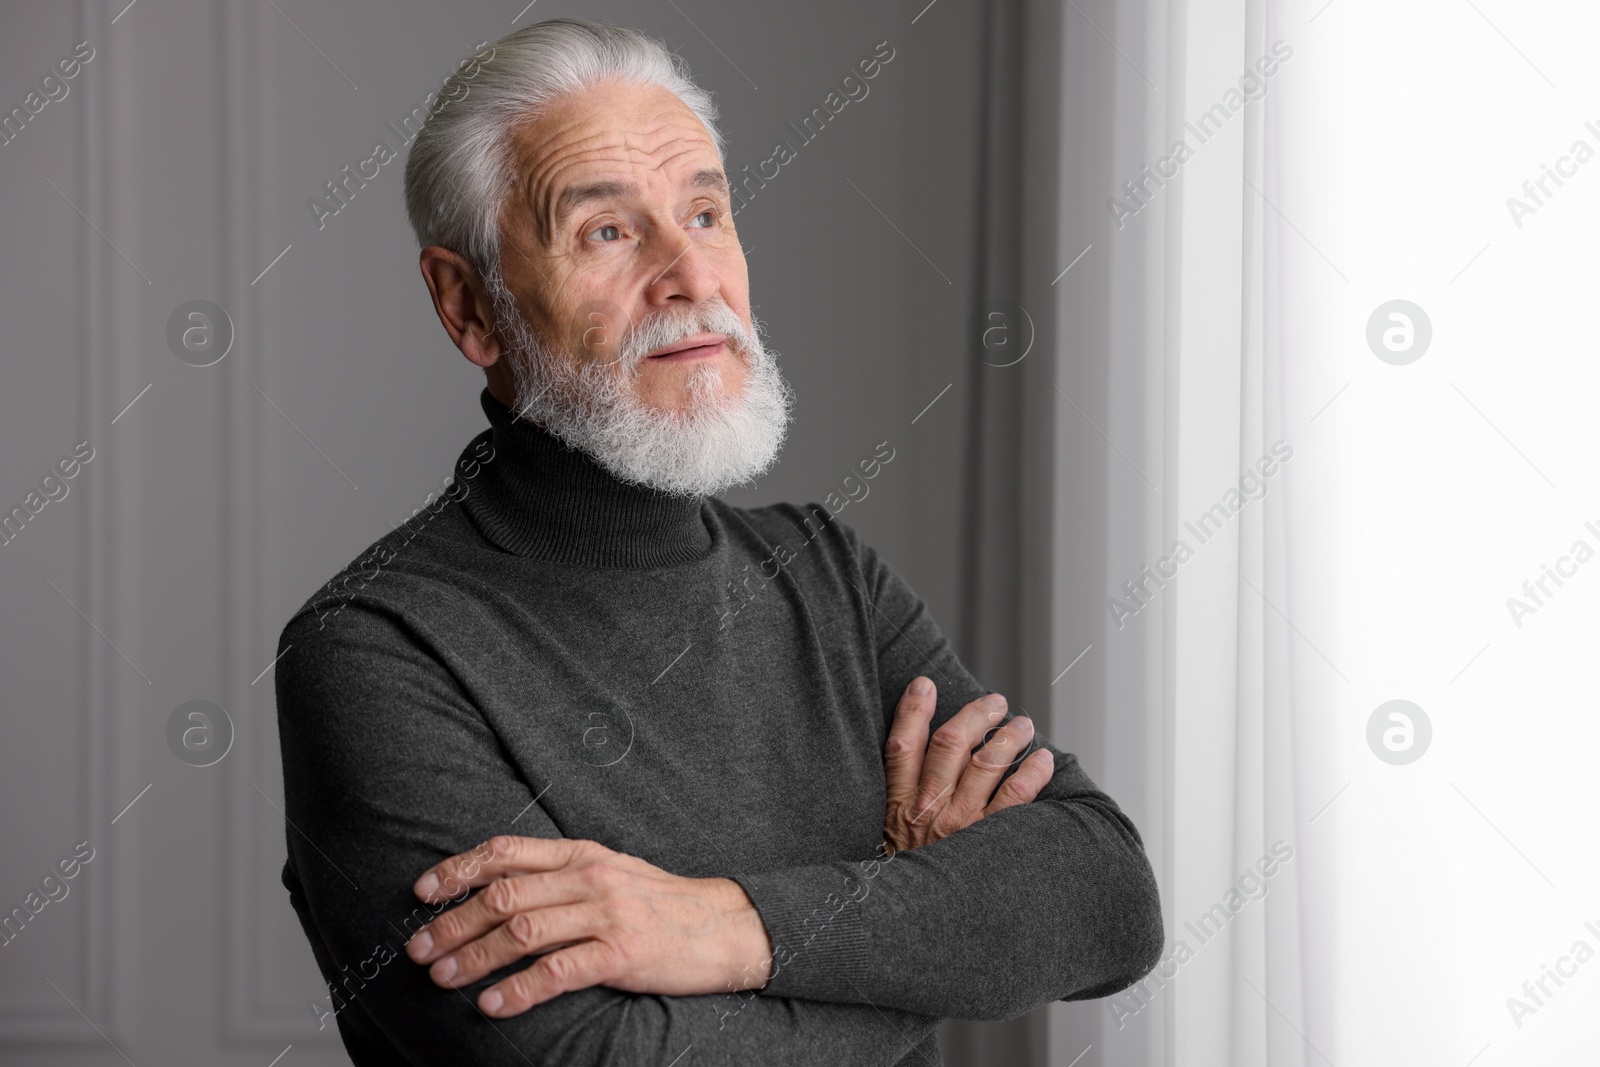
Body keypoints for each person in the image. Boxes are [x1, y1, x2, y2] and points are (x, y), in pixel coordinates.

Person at [273, 17, 1163, 1065]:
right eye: (607, 231)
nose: (689, 275)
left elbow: (1109, 897)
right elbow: (587, 1058)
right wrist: (913, 915)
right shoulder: (376, 647)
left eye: (705, 211)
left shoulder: (824, 571)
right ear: (470, 307)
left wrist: (720, 924)